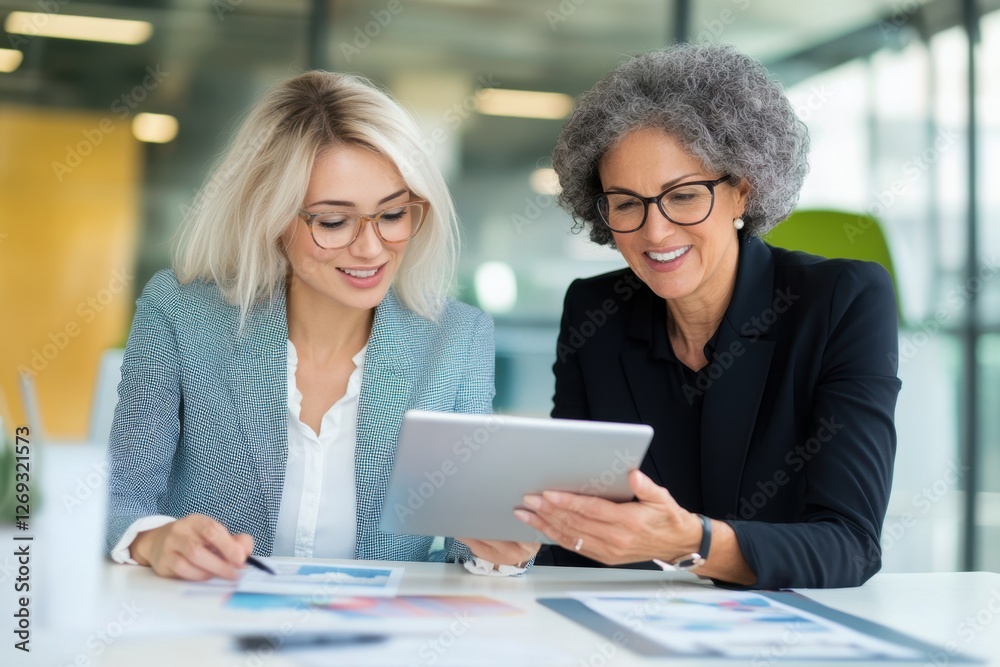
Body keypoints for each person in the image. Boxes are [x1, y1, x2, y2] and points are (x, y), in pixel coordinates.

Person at [105, 71, 538, 581]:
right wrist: (154, 539)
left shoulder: (457, 338)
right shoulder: (180, 313)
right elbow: (118, 497)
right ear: (270, 215)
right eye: (334, 222)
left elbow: (460, 546)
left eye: (393, 214)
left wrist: (499, 553)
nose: (372, 248)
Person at [518, 43, 900, 589]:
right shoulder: (595, 311)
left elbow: (850, 545)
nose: (656, 231)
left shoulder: (842, 300)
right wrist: (512, 549)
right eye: (627, 203)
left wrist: (692, 543)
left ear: (742, 191)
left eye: (684, 195)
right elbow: (577, 535)